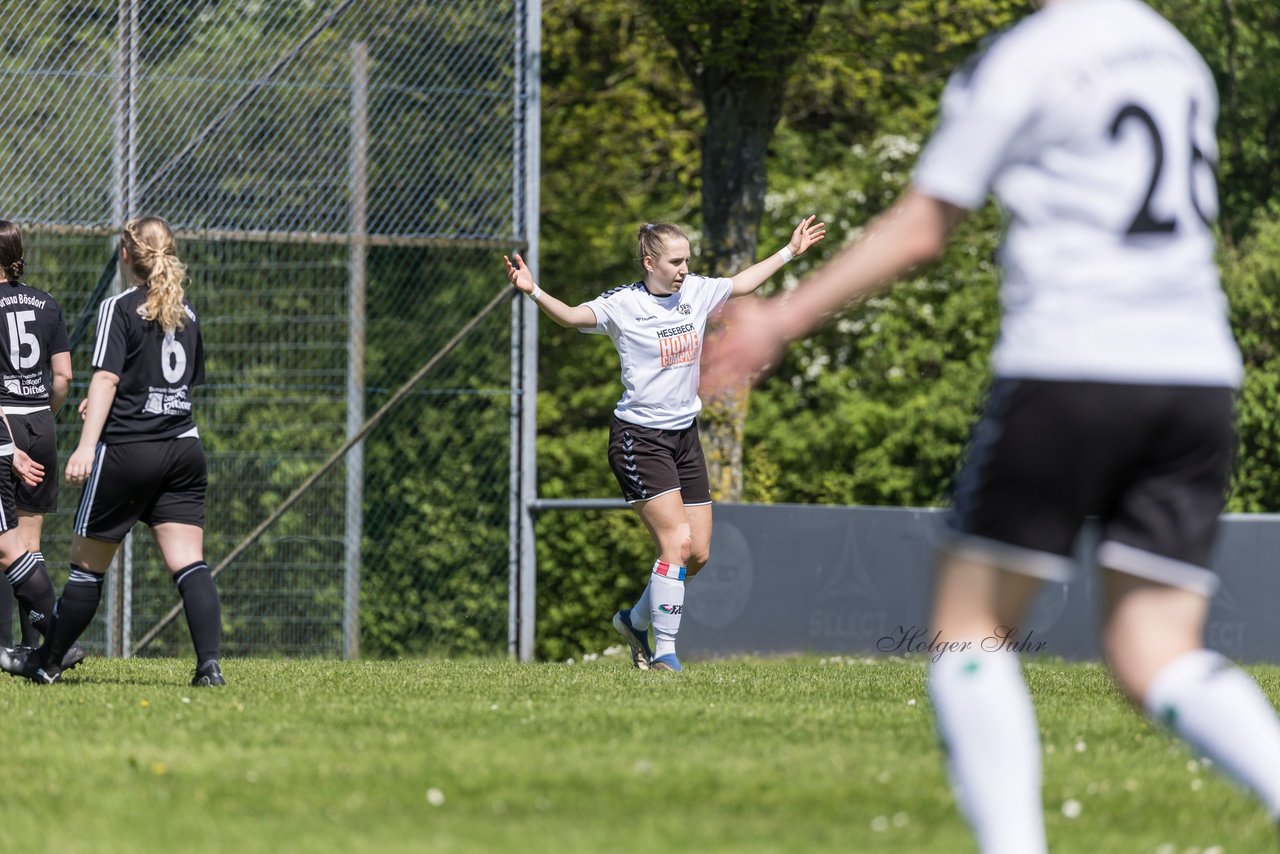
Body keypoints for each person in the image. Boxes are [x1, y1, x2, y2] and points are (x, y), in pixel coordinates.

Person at [701, 0, 1280, 849]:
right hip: (1196, 374)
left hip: (1074, 362)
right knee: (1156, 650)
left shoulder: (1027, 57)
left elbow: (926, 224)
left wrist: (783, 319)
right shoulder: (1174, 55)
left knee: (971, 627)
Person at [505, 216, 825, 671]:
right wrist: (534, 291)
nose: (684, 269)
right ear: (649, 261)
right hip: (639, 439)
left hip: (684, 436)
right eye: (676, 261)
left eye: (687, 260)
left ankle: (635, 621)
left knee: (698, 554)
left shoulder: (694, 291)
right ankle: (665, 656)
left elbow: (740, 285)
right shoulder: (622, 304)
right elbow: (574, 317)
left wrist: (789, 252)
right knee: (675, 543)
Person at [0, 215, 224, 687]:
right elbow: (173, 385)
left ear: (126, 254)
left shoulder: (119, 308)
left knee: (85, 567)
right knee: (189, 562)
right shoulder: (187, 313)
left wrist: (85, 446)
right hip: (184, 448)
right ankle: (209, 668)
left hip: (130, 451)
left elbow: (105, 377)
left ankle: (47, 661)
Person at [0, 221, 85, 668]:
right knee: (29, 543)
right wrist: (43, 419)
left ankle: (9, 647)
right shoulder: (46, 303)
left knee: (2, 540)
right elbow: (65, 377)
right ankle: (39, 648)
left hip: (3, 422)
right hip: (39, 421)